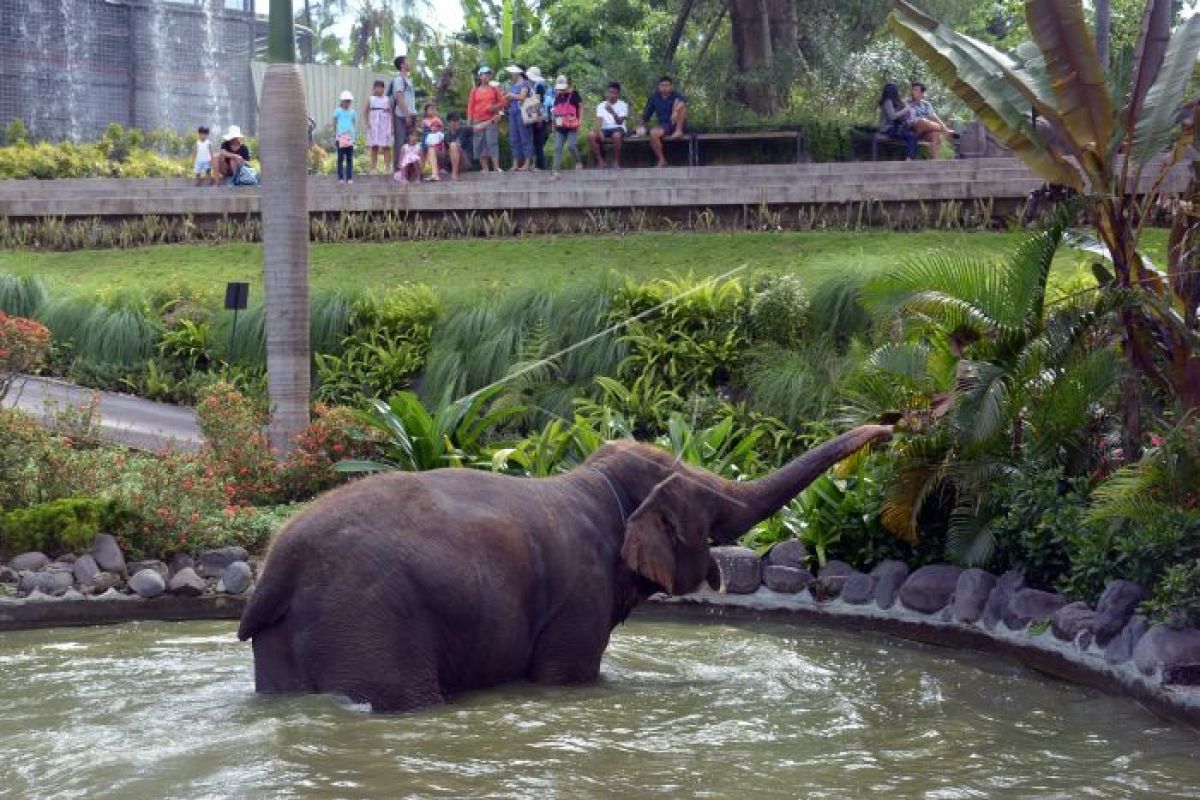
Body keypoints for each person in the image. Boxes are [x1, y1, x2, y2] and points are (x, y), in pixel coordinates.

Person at [640, 76, 687, 167]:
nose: (664, 87)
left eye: (667, 85)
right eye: (662, 85)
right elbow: (646, 115)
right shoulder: (654, 97)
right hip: (665, 125)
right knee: (653, 133)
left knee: (680, 105)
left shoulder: (676, 95)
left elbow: (682, 103)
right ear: (659, 86)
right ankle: (662, 160)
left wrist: (675, 111)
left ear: (671, 86)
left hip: (678, 123)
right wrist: (638, 127)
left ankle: (678, 131)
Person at [468, 66, 505, 173]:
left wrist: (495, 108)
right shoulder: (474, 91)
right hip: (477, 121)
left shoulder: (494, 89)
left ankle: (496, 167)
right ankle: (485, 168)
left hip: (491, 120)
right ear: (479, 76)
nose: (486, 76)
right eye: (484, 74)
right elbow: (470, 106)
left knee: (492, 142)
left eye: (488, 74)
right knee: (479, 143)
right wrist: (469, 121)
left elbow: (502, 103)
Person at [906, 81, 955, 159]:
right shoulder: (907, 102)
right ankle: (946, 131)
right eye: (912, 90)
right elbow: (909, 121)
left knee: (935, 134)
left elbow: (935, 117)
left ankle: (935, 162)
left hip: (924, 132)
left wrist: (944, 126)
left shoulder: (926, 104)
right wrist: (945, 129)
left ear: (922, 93)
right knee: (923, 121)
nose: (913, 92)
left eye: (915, 90)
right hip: (912, 130)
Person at [588, 82, 629, 169]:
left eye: (614, 92)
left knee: (616, 136)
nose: (611, 95)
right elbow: (599, 120)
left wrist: (612, 111)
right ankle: (601, 161)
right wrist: (599, 131)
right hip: (605, 128)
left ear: (618, 94)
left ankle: (616, 161)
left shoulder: (623, 105)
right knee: (591, 135)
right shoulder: (601, 105)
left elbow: (620, 122)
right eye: (610, 92)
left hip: (618, 128)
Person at [549, 75, 582, 179]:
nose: (561, 90)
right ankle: (556, 171)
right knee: (557, 148)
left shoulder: (574, 94)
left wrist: (580, 120)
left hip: (572, 125)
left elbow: (580, 107)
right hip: (560, 126)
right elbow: (555, 111)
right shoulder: (558, 96)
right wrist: (553, 125)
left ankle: (578, 162)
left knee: (571, 145)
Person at [387, 55, 417, 172]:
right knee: (400, 142)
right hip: (402, 115)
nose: (409, 63)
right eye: (407, 61)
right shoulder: (398, 80)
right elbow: (399, 98)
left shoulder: (409, 80)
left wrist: (413, 114)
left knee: (411, 142)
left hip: (411, 114)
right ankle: (398, 170)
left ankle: (409, 170)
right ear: (402, 65)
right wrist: (406, 114)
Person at [877, 81, 918, 160]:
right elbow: (893, 116)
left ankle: (910, 158)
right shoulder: (887, 101)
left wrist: (906, 108)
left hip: (895, 128)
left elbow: (903, 114)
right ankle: (909, 159)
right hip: (887, 129)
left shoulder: (895, 102)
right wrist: (905, 110)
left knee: (913, 136)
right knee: (910, 136)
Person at [505, 64, 535, 171]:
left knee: (525, 138)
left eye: (513, 73)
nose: (511, 75)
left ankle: (527, 163)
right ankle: (516, 163)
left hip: (522, 114)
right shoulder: (513, 86)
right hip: (512, 114)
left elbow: (522, 97)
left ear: (518, 73)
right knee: (514, 139)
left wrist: (511, 96)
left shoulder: (525, 83)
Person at [365, 79, 393, 173]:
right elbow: (366, 111)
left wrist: (392, 126)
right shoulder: (371, 99)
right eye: (377, 87)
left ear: (384, 89)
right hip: (374, 124)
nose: (379, 89)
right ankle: (373, 168)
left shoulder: (387, 99)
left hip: (385, 123)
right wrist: (367, 122)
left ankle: (388, 167)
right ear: (374, 88)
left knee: (386, 146)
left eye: (381, 87)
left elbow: (391, 112)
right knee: (374, 146)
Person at [526, 66, 550, 171]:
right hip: (535, 115)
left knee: (538, 142)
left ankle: (540, 166)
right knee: (535, 142)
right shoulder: (534, 86)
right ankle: (536, 164)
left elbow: (539, 102)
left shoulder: (539, 87)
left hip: (540, 116)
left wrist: (539, 118)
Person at [334, 90, 356, 184]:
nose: (347, 103)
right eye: (345, 101)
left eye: (349, 101)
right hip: (340, 138)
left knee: (350, 159)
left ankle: (349, 177)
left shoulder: (352, 112)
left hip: (350, 138)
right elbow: (334, 122)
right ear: (341, 101)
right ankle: (340, 178)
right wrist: (337, 133)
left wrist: (353, 137)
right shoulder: (338, 111)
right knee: (340, 158)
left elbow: (353, 124)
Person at [420, 102, 445, 182]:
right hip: (425, 138)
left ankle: (435, 173)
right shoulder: (424, 121)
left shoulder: (437, 119)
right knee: (422, 154)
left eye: (434, 109)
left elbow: (442, 129)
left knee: (432, 153)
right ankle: (420, 171)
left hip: (434, 140)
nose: (432, 111)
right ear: (426, 111)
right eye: (430, 109)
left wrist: (436, 129)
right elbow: (422, 130)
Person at [443, 111, 469, 180]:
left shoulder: (465, 130)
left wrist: (492, 121)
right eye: (454, 120)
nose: (456, 122)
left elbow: (479, 127)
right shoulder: (445, 135)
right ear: (449, 122)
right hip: (450, 160)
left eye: (457, 120)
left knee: (454, 145)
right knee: (432, 147)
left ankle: (454, 174)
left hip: (463, 160)